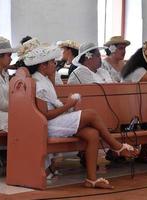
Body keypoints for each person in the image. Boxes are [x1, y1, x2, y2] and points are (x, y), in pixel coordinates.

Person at [23, 45, 139, 189]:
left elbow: (52, 107)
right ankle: (116, 146)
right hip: (48, 126)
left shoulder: (44, 79)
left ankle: (91, 179)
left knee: (93, 134)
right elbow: (44, 115)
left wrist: (69, 105)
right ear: (43, 65)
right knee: (91, 114)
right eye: (52, 62)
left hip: (55, 122)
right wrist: (68, 105)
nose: (55, 64)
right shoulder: (38, 84)